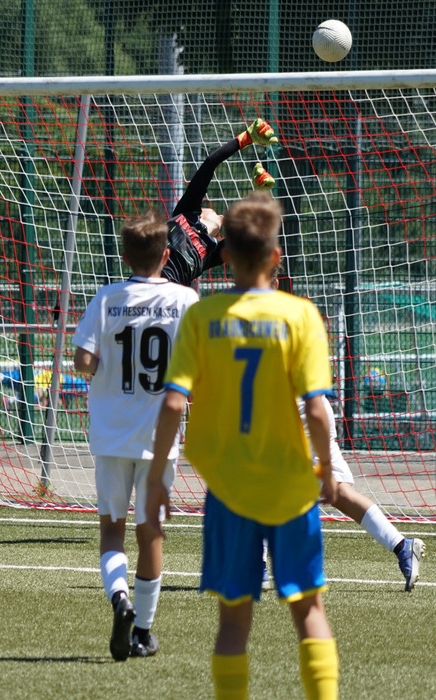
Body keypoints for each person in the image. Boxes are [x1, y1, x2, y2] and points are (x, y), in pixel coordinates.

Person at [146, 192, 340, 699]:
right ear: (275, 257)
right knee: (309, 610)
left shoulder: (202, 317)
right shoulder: (301, 316)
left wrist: (156, 482)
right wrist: (326, 470)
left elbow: (173, 405)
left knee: (233, 621)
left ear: (225, 254)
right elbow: (318, 411)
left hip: (228, 490)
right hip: (291, 487)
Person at [72, 209, 200, 661]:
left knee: (112, 532)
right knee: (152, 535)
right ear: (167, 256)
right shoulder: (186, 300)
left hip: (111, 436)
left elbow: (83, 362)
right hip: (159, 438)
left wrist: (104, 365)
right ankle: (143, 630)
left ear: (124, 256)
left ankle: (120, 598)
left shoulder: (107, 298)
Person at [264, 261, 425, 592]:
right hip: (306, 412)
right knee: (338, 493)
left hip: (296, 415)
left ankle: (260, 567)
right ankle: (402, 546)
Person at [161, 118, 278, 288]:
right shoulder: (186, 213)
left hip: (172, 296)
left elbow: (250, 235)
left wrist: (259, 196)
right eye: (216, 212)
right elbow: (209, 164)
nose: (222, 216)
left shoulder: (212, 251)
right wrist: (245, 138)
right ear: (201, 214)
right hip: (143, 284)